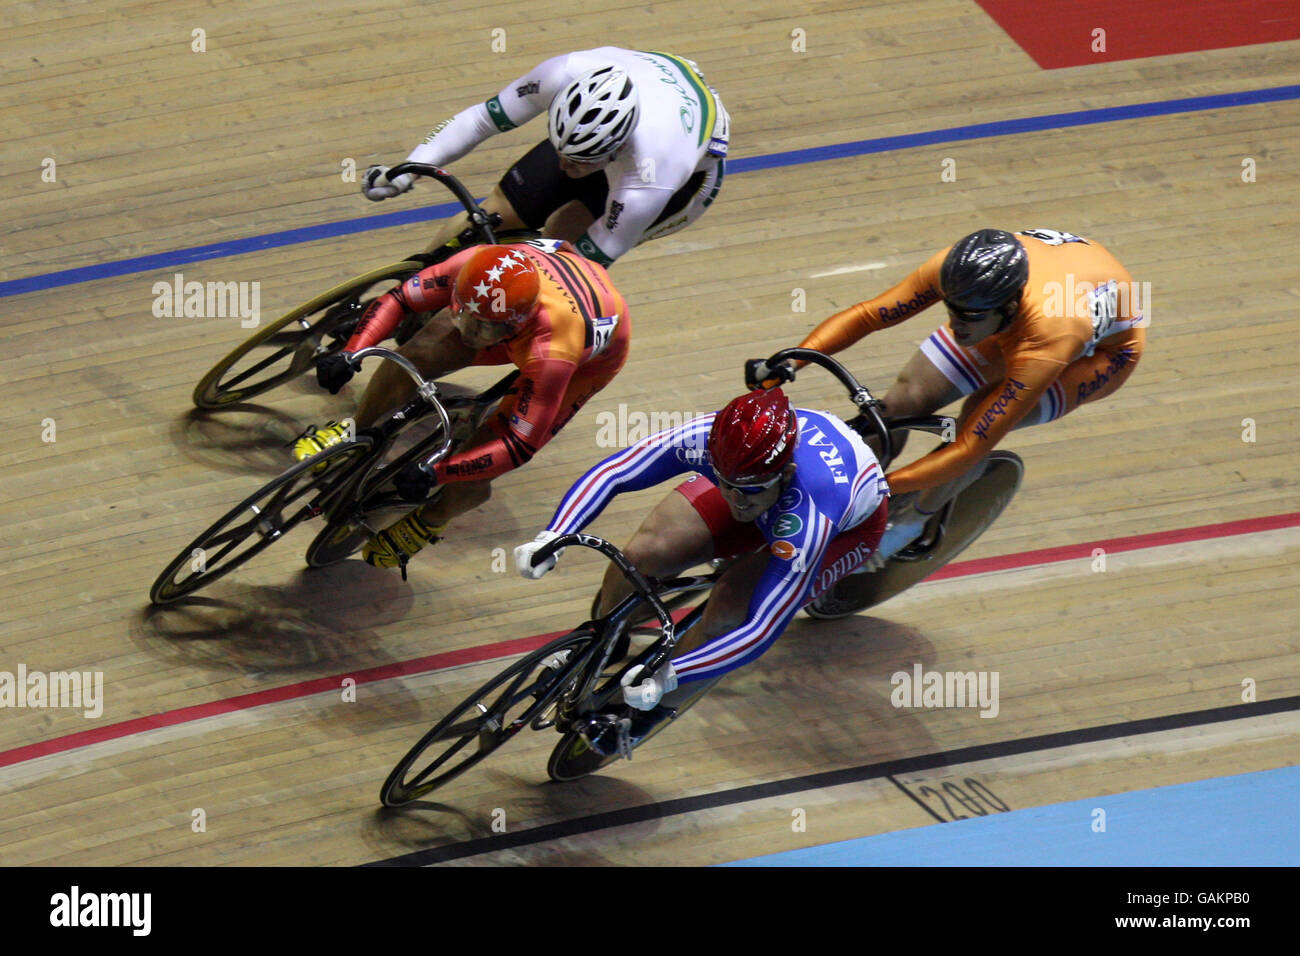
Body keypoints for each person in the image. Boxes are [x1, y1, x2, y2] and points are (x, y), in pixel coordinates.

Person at [785, 227, 1147, 617]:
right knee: (902, 402)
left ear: (1008, 307)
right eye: (951, 309)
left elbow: (970, 445)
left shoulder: (1051, 335)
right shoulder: (958, 272)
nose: (957, 326)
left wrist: (885, 487)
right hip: (1026, 308)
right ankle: (833, 497)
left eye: (969, 316)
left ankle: (909, 530)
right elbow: (871, 314)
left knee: (976, 421)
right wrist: (790, 362)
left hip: (1098, 354)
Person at [512, 387, 890, 756]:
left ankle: (647, 714)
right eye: (727, 486)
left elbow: (759, 630)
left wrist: (669, 675)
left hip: (843, 531)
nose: (737, 501)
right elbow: (617, 471)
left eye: (749, 491)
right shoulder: (713, 444)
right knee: (642, 555)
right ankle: (609, 636)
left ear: (786, 473)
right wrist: (554, 534)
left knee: (728, 609)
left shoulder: (810, 519)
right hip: (766, 490)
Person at [294, 240, 630, 573]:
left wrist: (438, 472)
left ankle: (431, 520)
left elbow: (517, 446)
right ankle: (357, 434)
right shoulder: (474, 267)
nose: (470, 333)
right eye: (465, 315)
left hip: (582, 354)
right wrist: (352, 352)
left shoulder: (552, 350)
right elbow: (399, 299)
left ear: (516, 325)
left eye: (484, 327)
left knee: (483, 454)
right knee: (411, 357)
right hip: (539, 288)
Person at [361, 47, 730, 267]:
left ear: (616, 149)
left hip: (686, 181)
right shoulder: (564, 73)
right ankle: (415, 281)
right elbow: (480, 120)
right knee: (494, 213)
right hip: (615, 126)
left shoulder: (654, 172)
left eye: (579, 161)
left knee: (557, 246)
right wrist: (408, 168)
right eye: (561, 150)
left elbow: (593, 260)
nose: (565, 169)